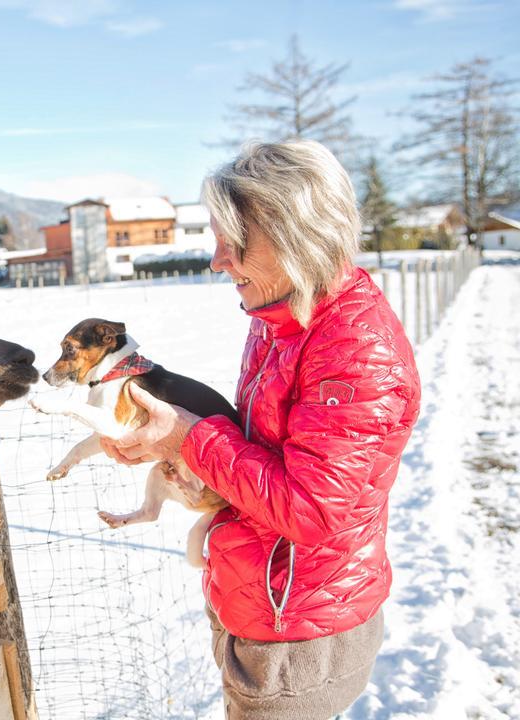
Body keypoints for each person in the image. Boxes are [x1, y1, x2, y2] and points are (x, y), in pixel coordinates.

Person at [101, 140, 421, 720]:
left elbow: (314, 510)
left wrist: (189, 438)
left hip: (298, 631)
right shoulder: (282, 319)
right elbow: (258, 454)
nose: (219, 258)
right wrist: (167, 446)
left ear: (301, 235)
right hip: (263, 601)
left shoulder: (352, 351)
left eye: (237, 239)